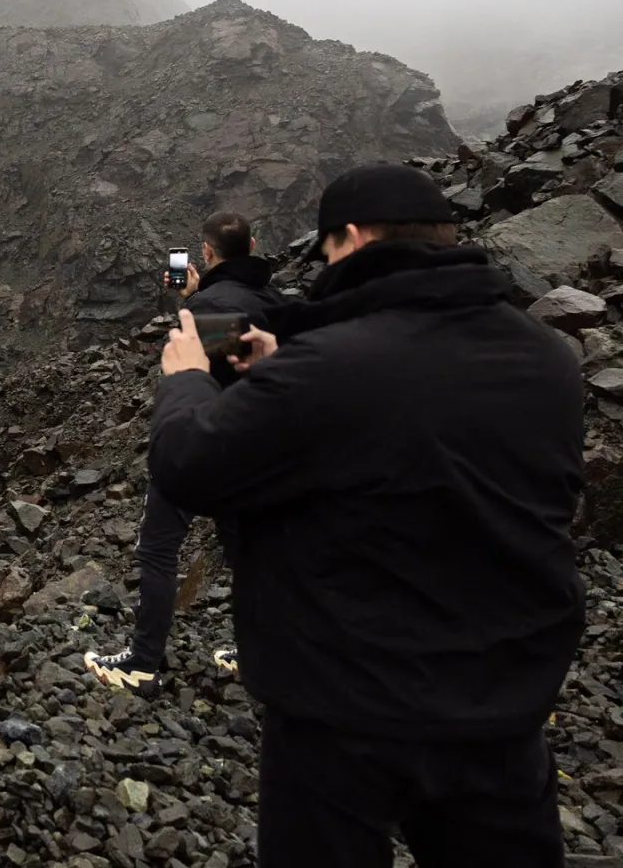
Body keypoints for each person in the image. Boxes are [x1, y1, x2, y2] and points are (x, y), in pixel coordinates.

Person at [150, 163, 584, 867]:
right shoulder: (545, 356)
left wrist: (189, 382)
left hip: (344, 713)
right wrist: (286, 371)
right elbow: (414, 439)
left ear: (349, 237)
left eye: (325, 252)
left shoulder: (334, 364)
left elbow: (190, 464)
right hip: (504, 708)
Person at [85, 212, 281, 691]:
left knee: (158, 550)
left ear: (207, 254)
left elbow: (207, 365)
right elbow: (242, 357)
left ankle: (144, 660)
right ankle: (258, 656)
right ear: (252, 246)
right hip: (254, 455)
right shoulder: (276, 303)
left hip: (200, 445)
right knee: (248, 557)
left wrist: (194, 303)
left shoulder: (210, 305)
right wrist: (195, 298)